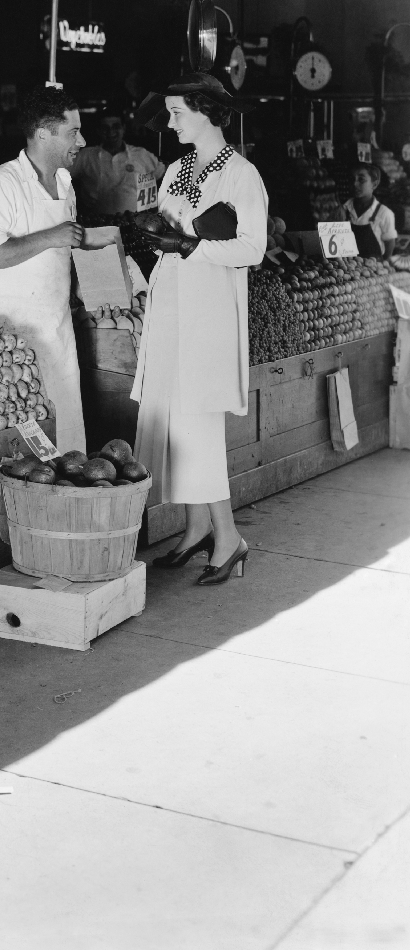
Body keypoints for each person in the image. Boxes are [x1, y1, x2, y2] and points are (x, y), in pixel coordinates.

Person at [132, 73, 269, 585]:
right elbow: (168, 228)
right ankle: (194, 530)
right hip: (172, 301)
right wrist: (151, 232)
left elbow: (251, 249)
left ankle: (229, 538)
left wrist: (193, 246)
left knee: (200, 422)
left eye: (177, 113)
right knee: (174, 415)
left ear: (207, 112)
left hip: (210, 309)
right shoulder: (176, 170)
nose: (169, 123)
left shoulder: (241, 176)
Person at [0, 86, 117, 453]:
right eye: (72, 132)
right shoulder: (1, 183)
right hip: (9, 337)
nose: (81, 141)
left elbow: (61, 252)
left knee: (66, 441)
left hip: (57, 330)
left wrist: (96, 274)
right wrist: (51, 236)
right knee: (18, 447)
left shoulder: (66, 184)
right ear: (42, 133)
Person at [71, 105, 165, 216]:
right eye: (105, 128)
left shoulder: (141, 154)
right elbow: (59, 177)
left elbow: (164, 176)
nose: (111, 132)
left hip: (136, 224)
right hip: (97, 224)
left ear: (124, 128)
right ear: (99, 131)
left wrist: (155, 209)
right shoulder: (86, 156)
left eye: (116, 126)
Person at [335, 164, 397, 259]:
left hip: (372, 270)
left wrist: (385, 264)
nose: (355, 184)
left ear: (374, 184)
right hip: (347, 268)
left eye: (361, 180)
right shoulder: (343, 209)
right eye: (352, 179)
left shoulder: (384, 213)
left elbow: (389, 243)